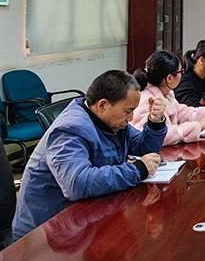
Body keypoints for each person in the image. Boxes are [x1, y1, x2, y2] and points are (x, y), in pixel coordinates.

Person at [12, 70, 167, 240]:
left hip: (83, 216)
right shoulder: (70, 129)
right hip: (45, 234)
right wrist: (137, 170)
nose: (130, 118)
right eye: (128, 111)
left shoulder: (110, 121)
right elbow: (77, 184)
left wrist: (155, 123)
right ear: (102, 105)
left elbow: (144, 149)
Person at [132, 50, 205, 146]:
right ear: (169, 78)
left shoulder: (166, 94)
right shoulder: (146, 100)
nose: (182, 74)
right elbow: (160, 135)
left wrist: (204, 113)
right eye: (181, 71)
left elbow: (181, 112)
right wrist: (197, 126)